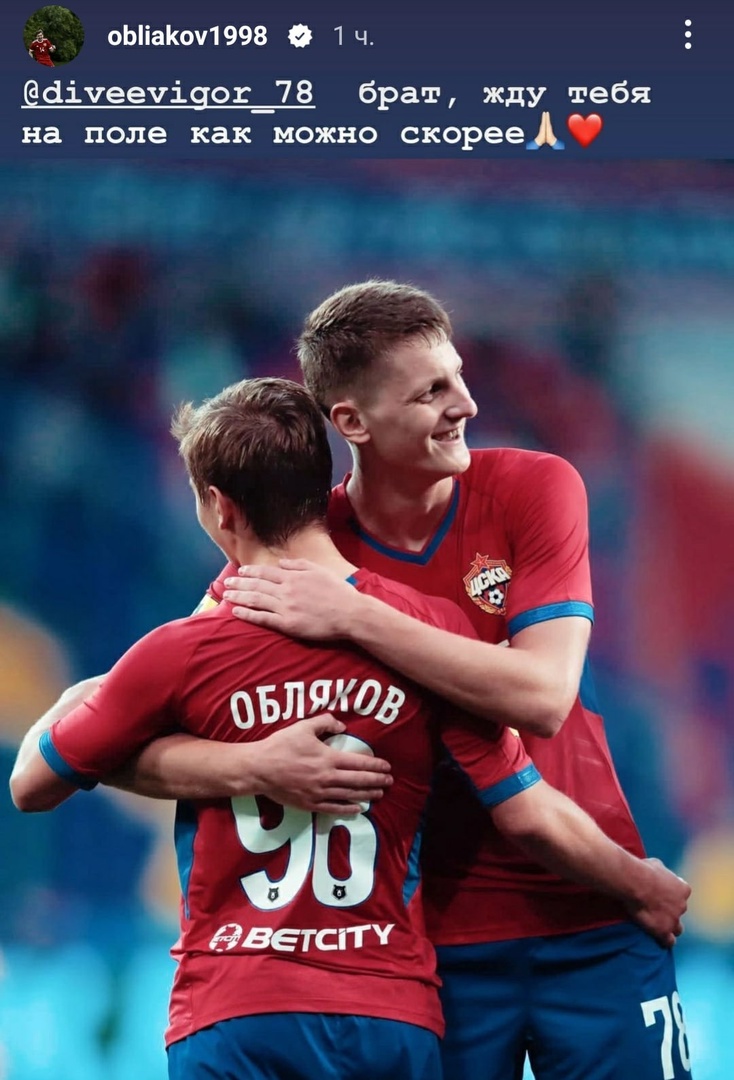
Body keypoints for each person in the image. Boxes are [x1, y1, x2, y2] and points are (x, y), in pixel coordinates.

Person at [11, 378, 689, 1080]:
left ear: (220, 506)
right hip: (387, 1011)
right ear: (324, 486)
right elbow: (527, 812)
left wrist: (80, 696)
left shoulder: (179, 653)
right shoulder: (426, 633)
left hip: (236, 1008)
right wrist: (640, 884)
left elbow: (31, 783)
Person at [212, 282, 693, 1080]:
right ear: (353, 422)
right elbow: (130, 719)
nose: (465, 404)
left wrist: (355, 614)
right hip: (427, 946)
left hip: (596, 910)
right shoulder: (303, 550)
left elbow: (542, 697)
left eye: (459, 376)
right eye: (430, 391)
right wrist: (253, 764)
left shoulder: (536, 486)